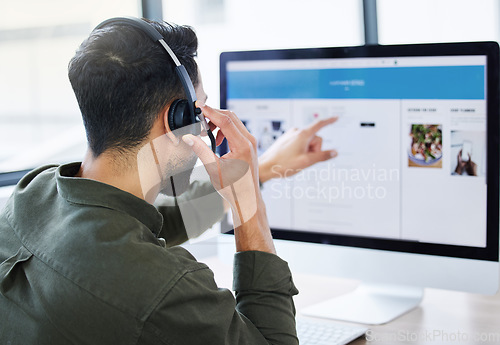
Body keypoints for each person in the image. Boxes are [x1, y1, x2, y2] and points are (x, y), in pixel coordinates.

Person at [0, 18, 337, 344]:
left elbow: (157, 223)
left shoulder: (33, 192)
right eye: (201, 114)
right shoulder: (163, 288)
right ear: (174, 121)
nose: (205, 129)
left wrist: (259, 170)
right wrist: (248, 202)